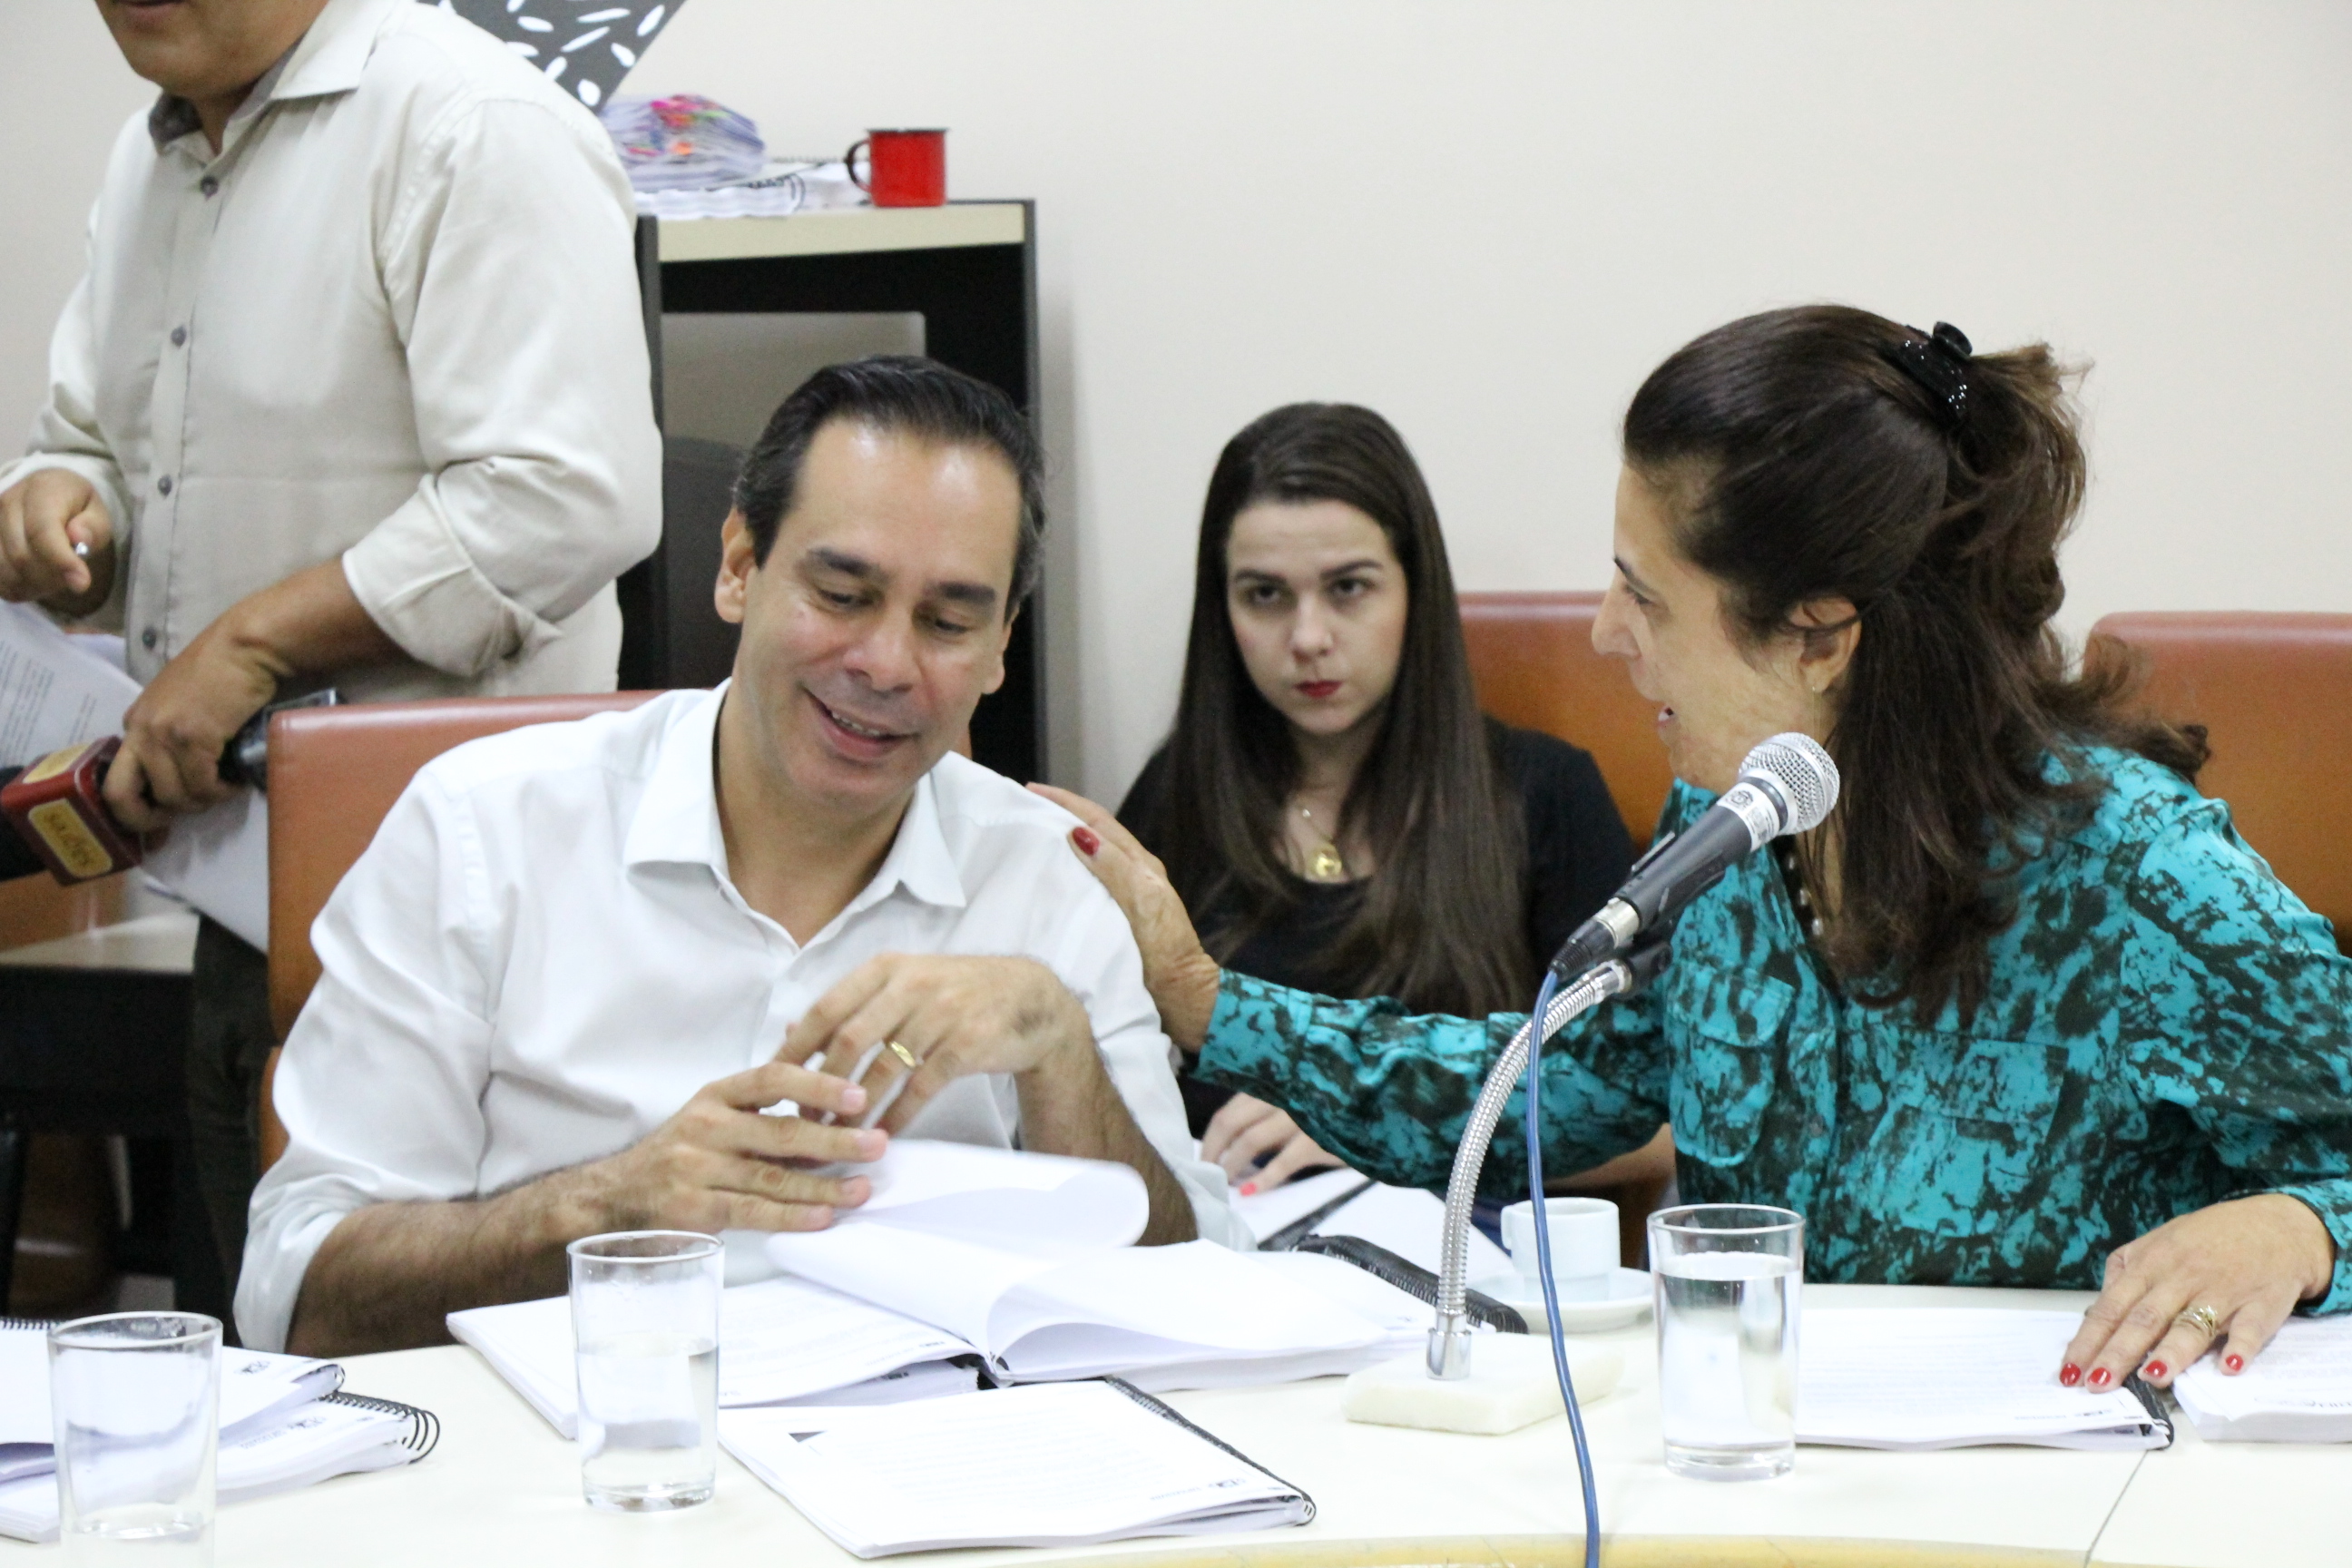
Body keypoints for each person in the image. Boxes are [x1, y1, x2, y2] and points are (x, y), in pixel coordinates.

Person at [1044, 308, 2352, 1394]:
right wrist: (1202, 997)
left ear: (1818, 636)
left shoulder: (2138, 876)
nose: (1604, 632)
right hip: (1757, 1457)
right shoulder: (1730, 825)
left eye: (1646, 593)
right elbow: (1557, 1090)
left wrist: (2300, 1227)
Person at [239, 358, 1241, 1357]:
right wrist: (604, 1209)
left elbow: (1209, 1291)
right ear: (738, 567)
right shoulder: (483, 831)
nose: (886, 665)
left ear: (1000, 645)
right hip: (573, 1434)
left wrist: (1060, 1051)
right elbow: (297, 1296)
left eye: (947, 623)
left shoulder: (1048, 880)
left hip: (932, 1441)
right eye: (842, 594)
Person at [0, 0, 662, 1308]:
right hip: (245, 893)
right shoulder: (151, 158)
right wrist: (61, 501)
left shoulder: (471, 124)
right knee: (256, 1339)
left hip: (465, 927)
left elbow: (566, 498)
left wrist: (255, 644)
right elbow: (92, 437)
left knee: (423, 1359)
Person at [1112, 403, 1633, 1191]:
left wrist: (1375, 1128)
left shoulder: (1545, 794)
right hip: (1225, 1239)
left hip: (1450, 1247)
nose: (1308, 637)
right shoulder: (1177, 794)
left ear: (1415, 591)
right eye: (1265, 595)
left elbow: (1651, 1121)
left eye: (1348, 588)